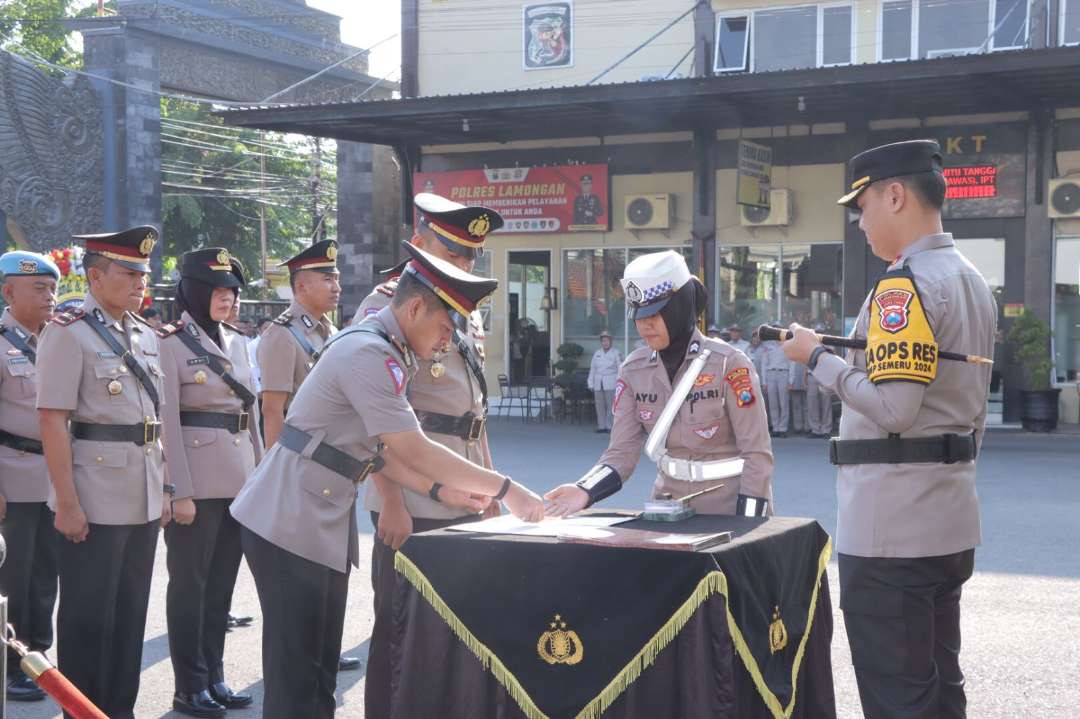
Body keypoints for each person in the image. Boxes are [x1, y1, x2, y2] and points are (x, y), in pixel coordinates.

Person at [229, 243, 544, 719]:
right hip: (287, 520)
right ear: (415, 307)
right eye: (444, 325)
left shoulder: (387, 348)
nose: (447, 339)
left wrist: (440, 492)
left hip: (315, 515)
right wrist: (507, 488)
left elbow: (375, 451)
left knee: (319, 675)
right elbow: (412, 446)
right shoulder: (368, 352)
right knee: (297, 677)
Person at [782, 140, 996, 719]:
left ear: (895, 194)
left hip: (891, 531)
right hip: (948, 519)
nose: (859, 223)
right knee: (940, 687)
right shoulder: (971, 278)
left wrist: (816, 359)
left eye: (863, 206)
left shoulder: (903, 286)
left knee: (898, 697)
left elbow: (896, 411)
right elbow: (974, 411)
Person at [353, 192, 503, 719]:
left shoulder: (464, 312)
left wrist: (490, 488)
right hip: (414, 499)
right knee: (401, 632)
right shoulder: (385, 307)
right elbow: (372, 426)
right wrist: (389, 501)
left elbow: (473, 411)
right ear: (418, 245)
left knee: (457, 633)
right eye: (453, 253)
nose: (462, 266)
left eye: (470, 257)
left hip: (464, 493)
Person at [36, 226, 170, 719]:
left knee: (130, 616)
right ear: (95, 275)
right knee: (88, 619)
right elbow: (52, 419)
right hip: (94, 494)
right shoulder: (67, 331)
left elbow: (156, 423)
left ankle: (120, 710)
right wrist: (66, 502)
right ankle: (84, 713)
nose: (140, 281)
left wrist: (168, 488)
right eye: (129, 272)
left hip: (143, 494)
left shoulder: (145, 333)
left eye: (144, 273)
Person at [544, 250, 773, 517]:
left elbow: (757, 455)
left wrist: (749, 528)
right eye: (639, 316)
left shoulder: (729, 364)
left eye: (655, 314)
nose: (645, 325)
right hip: (667, 507)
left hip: (726, 507)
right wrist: (584, 490)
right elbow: (622, 451)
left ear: (680, 306)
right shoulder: (633, 370)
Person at [158, 249, 263, 717]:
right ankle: (189, 686)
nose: (229, 301)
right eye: (220, 292)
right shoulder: (170, 342)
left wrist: (260, 478)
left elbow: (251, 415)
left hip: (238, 481)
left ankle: (215, 676)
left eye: (234, 293)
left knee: (221, 587)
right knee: (190, 587)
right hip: (196, 487)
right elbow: (166, 422)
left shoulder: (238, 341)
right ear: (195, 292)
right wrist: (178, 490)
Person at [0, 251, 60, 703]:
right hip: (11, 475)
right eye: (39, 289)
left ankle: (37, 655)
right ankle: (9, 665)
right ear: (8, 292)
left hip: (51, 476)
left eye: (52, 288)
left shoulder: (55, 341)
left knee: (45, 573)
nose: (50, 297)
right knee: (13, 576)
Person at [586, 330, 622, 433]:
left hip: (611, 381)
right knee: (599, 405)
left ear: (611, 341)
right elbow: (593, 369)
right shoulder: (597, 353)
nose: (605, 343)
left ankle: (609, 426)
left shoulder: (616, 352)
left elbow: (620, 368)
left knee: (610, 405)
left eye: (607, 341)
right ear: (601, 342)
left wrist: (620, 382)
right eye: (603, 341)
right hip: (598, 382)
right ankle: (601, 426)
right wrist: (590, 383)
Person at [761, 325, 792, 437]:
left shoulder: (787, 344)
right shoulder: (767, 345)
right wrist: (764, 381)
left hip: (783, 373)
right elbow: (764, 364)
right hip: (771, 374)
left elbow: (791, 363)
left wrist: (791, 380)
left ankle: (783, 428)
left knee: (783, 402)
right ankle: (775, 427)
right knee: (773, 402)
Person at [788, 357, 808, 435]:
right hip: (794, 378)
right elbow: (789, 365)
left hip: (805, 377)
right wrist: (790, 381)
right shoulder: (792, 351)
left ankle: (807, 427)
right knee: (796, 405)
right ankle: (798, 427)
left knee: (807, 405)